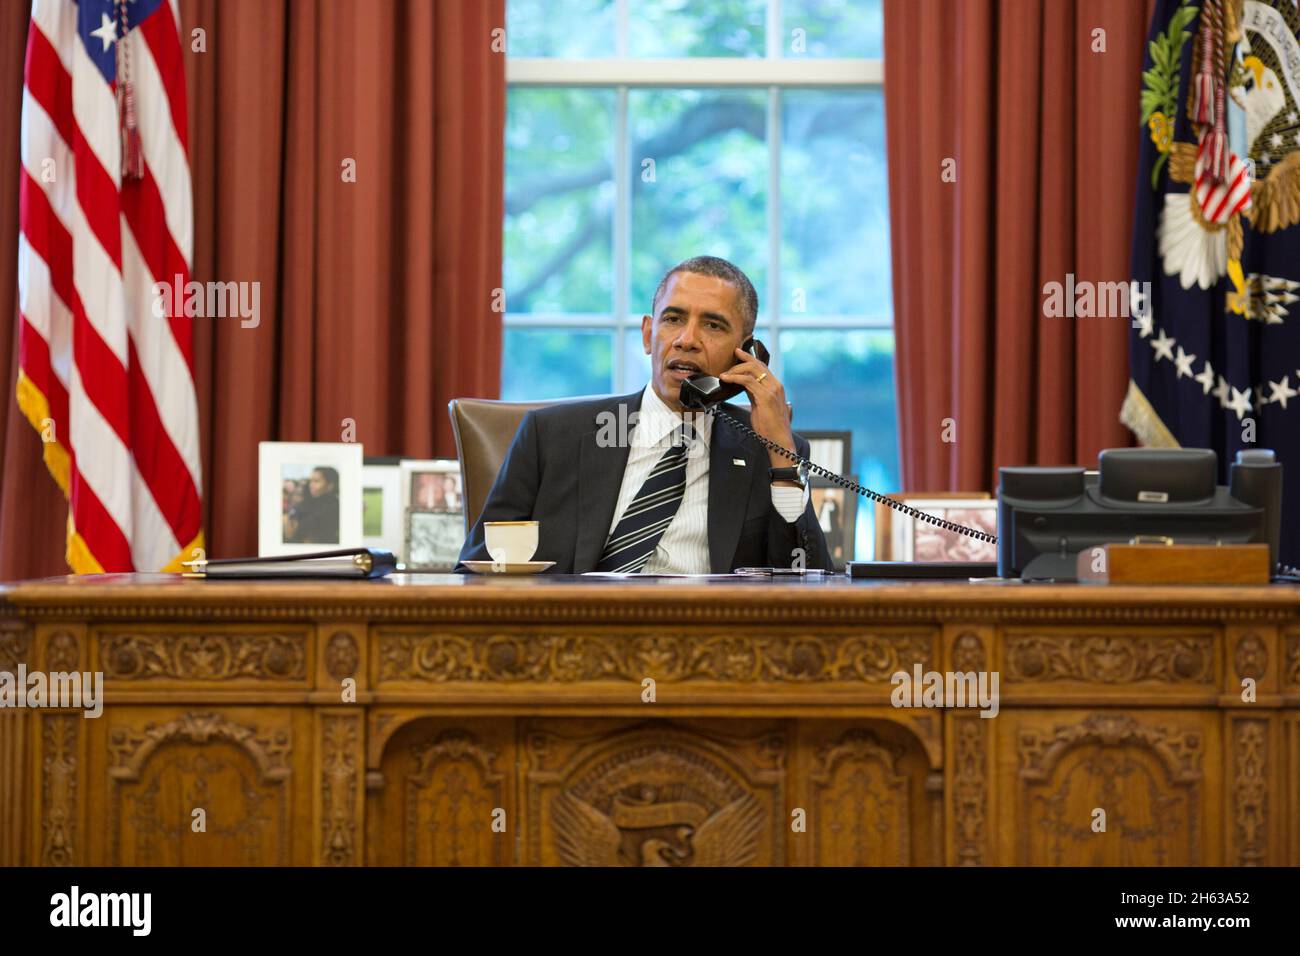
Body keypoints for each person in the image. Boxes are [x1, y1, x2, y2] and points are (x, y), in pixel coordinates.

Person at [457, 256, 832, 573]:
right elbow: (475, 571)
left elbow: (807, 584)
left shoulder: (763, 451)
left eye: (713, 325)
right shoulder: (551, 436)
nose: (687, 339)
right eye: (673, 319)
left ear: (745, 351)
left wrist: (781, 454)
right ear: (647, 334)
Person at [284, 466, 340, 544]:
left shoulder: (333, 507)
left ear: (330, 485)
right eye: (311, 481)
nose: (311, 485)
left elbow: (295, 531)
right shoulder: (310, 501)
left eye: (316, 481)